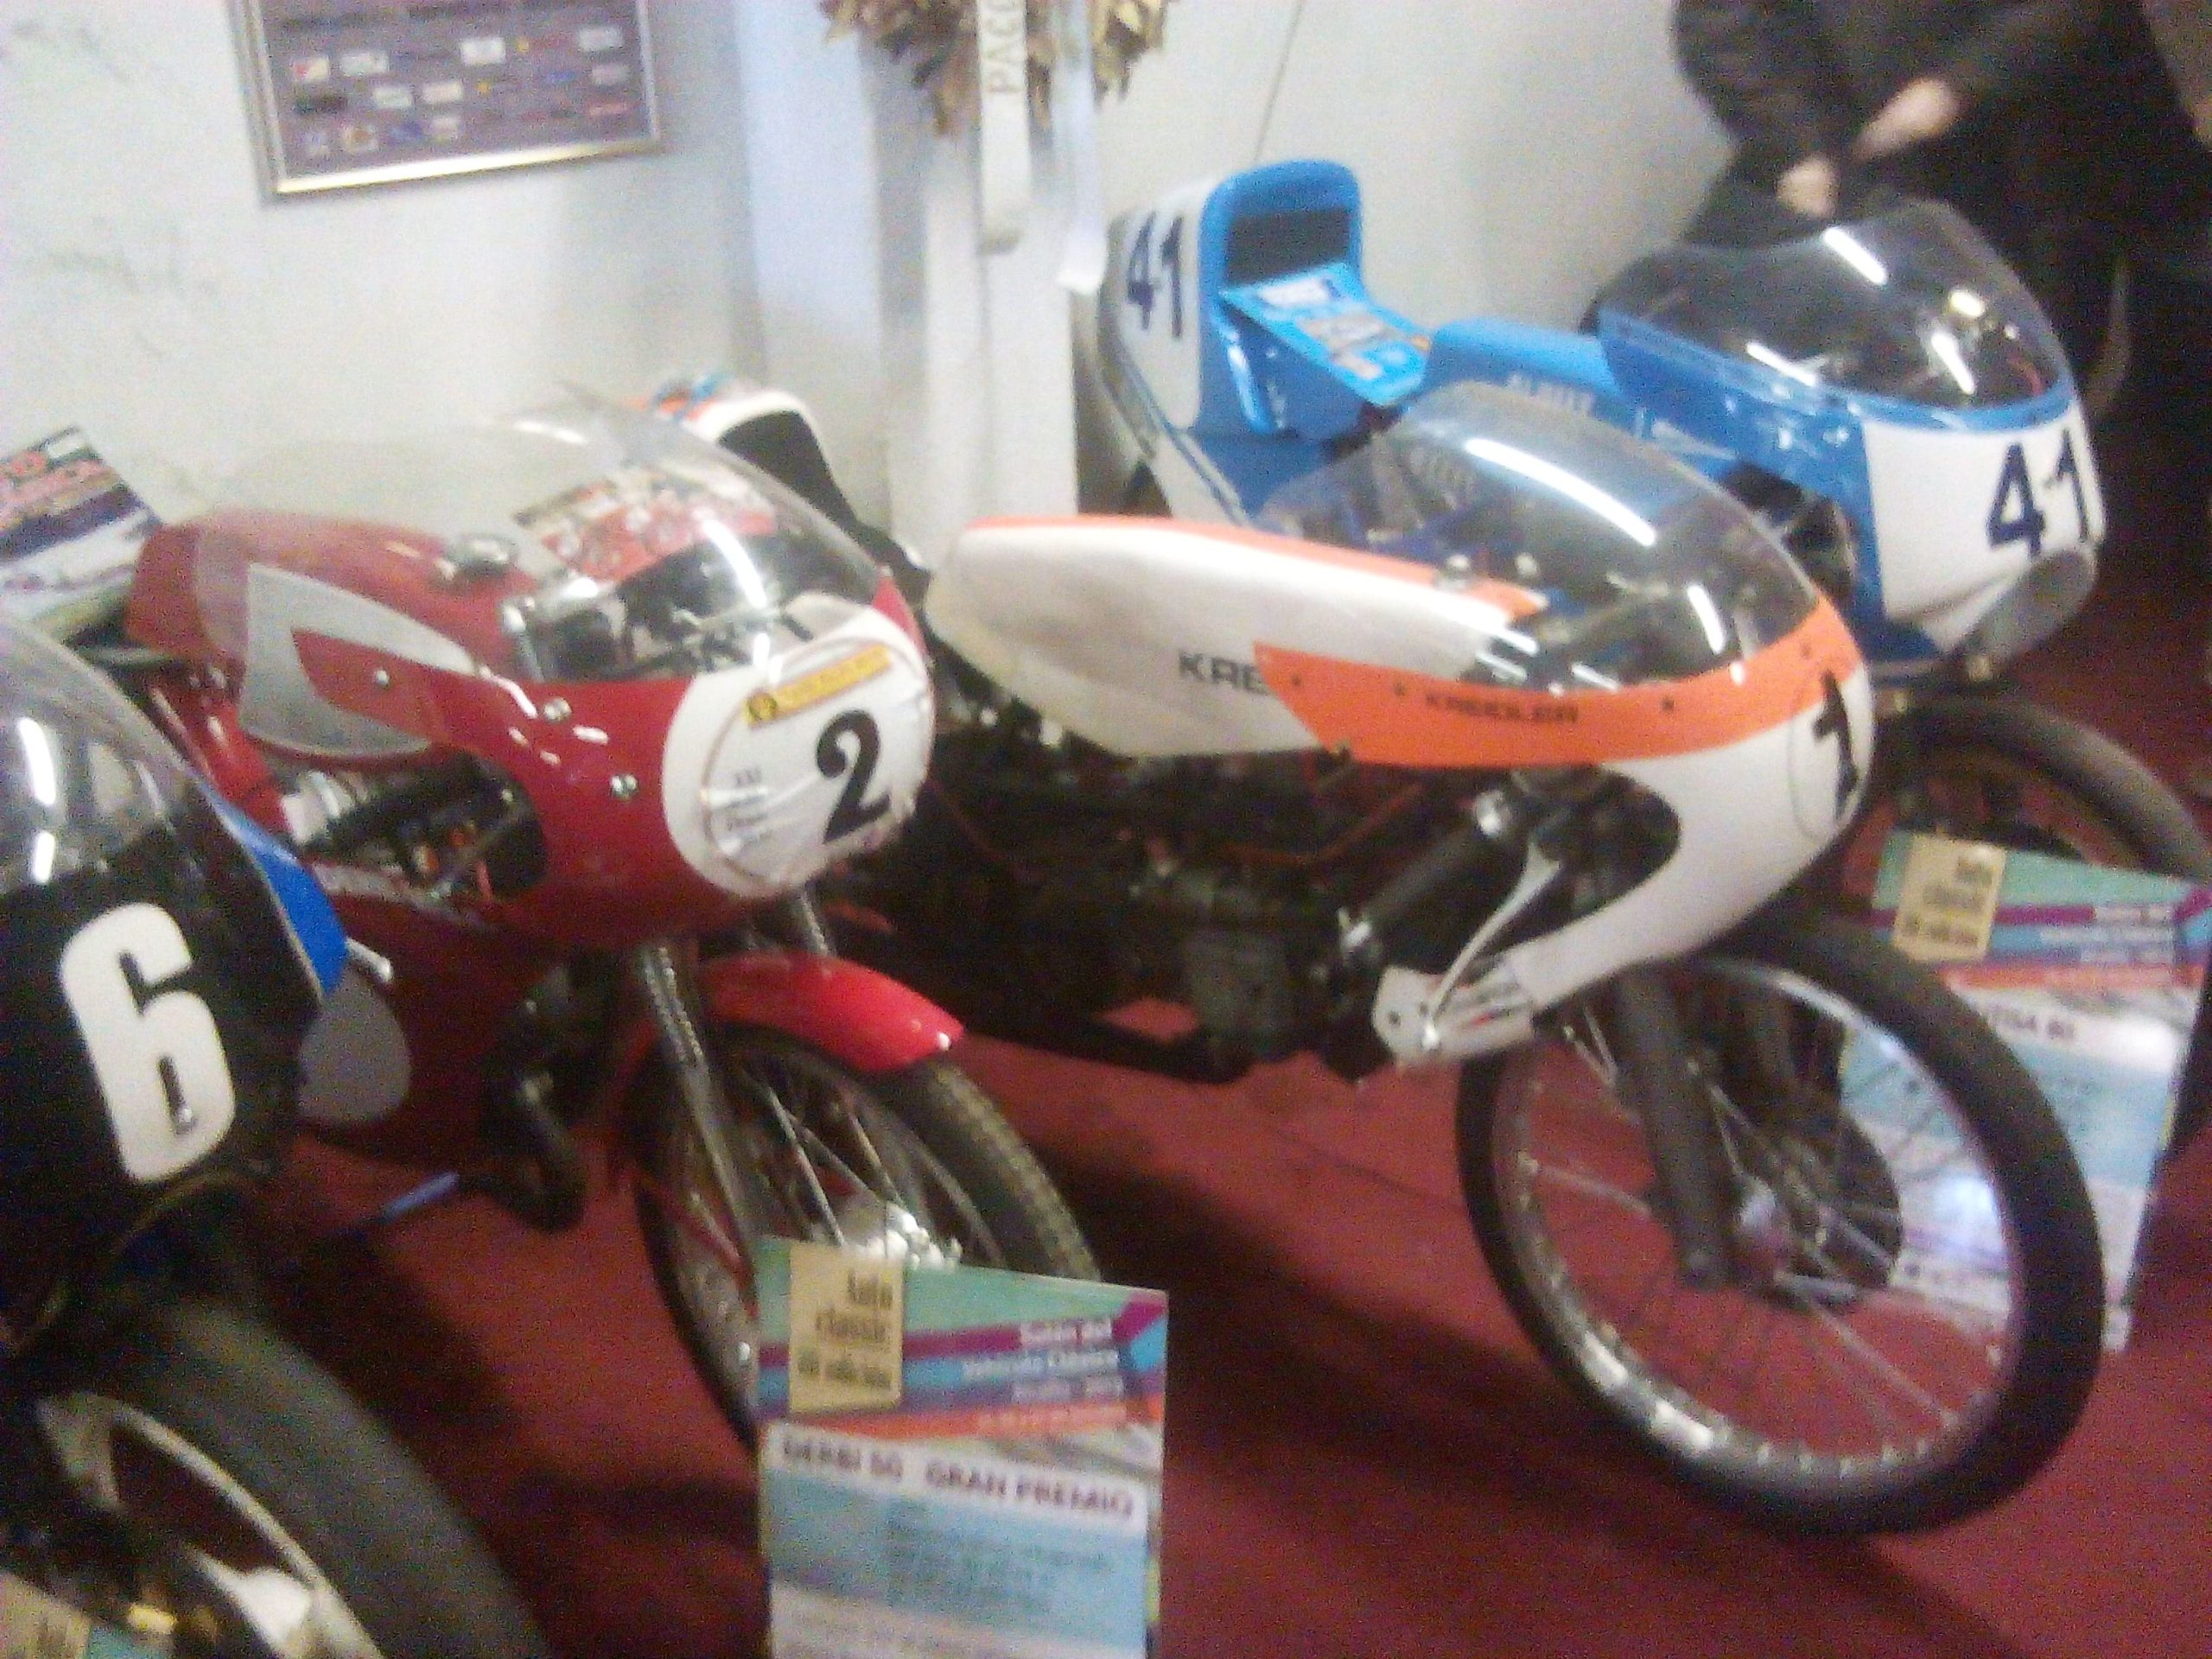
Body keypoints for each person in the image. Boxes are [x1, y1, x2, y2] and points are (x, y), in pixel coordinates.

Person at [1671, 0, 2097, 251]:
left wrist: (1958, 85)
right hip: (1817, 157)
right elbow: (1720, 26)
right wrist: (1795, 147)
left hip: (1986, 154)